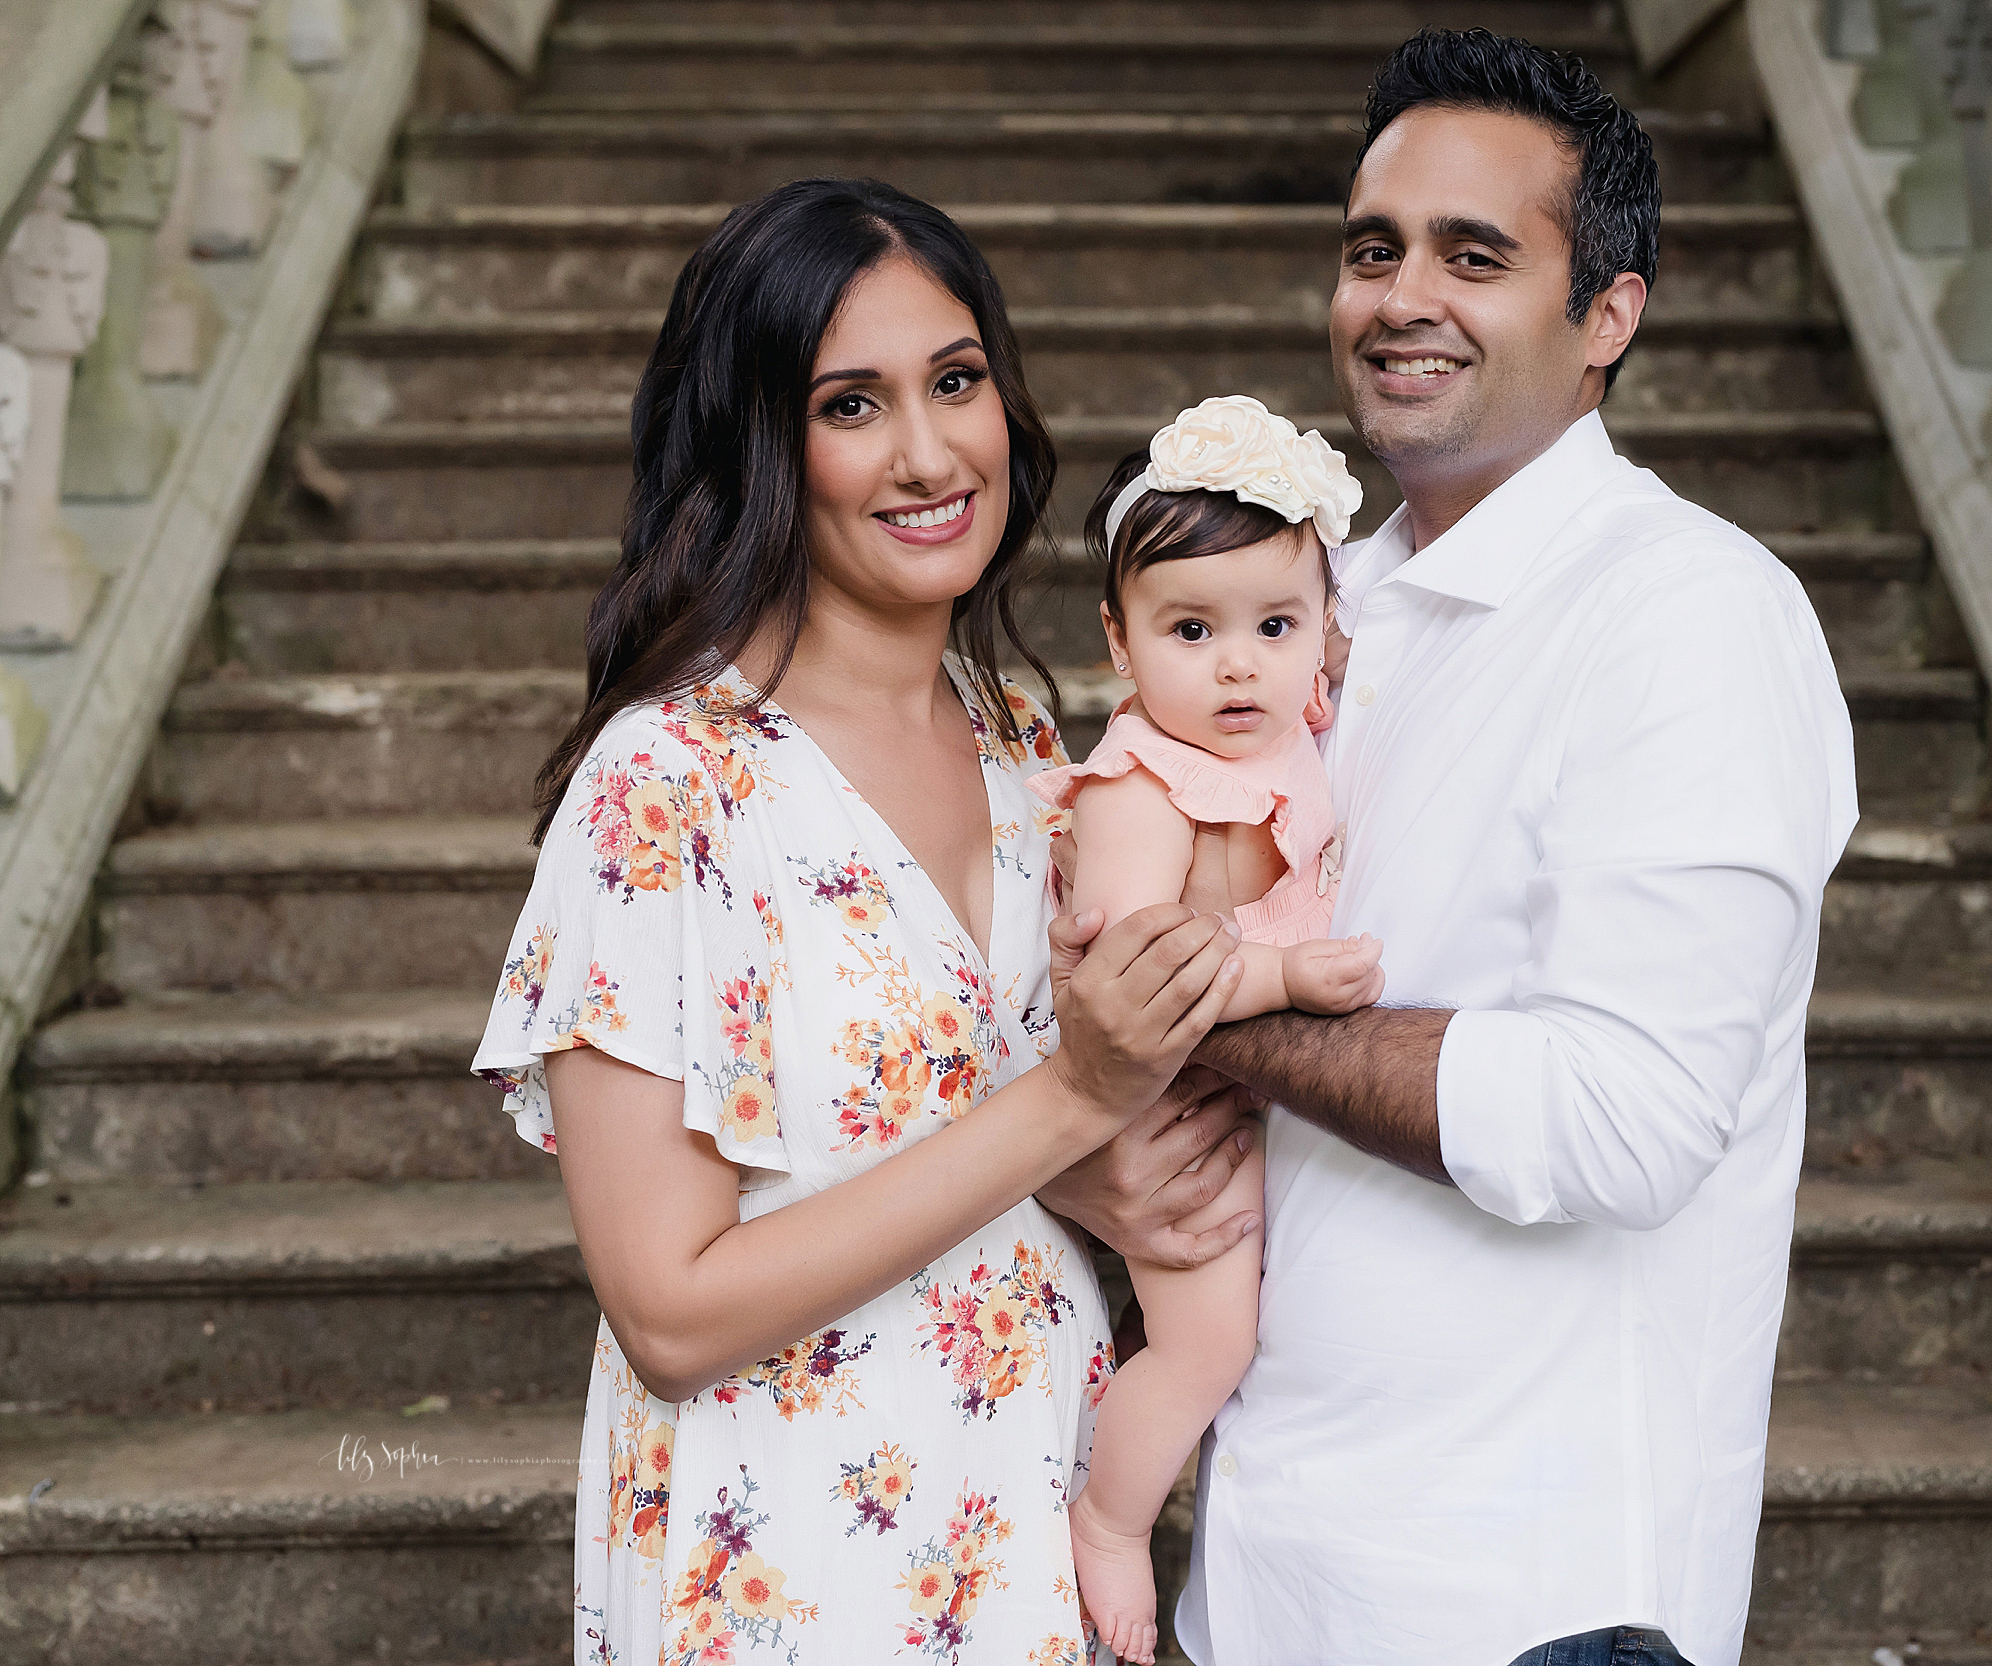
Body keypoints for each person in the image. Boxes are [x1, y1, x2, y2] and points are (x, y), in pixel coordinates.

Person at [1051, 30, 1859, 1666]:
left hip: (1528, 1598)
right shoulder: (1323, 627)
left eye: (1473, 255)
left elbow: (1623, 1120)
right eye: (1374, 248)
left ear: (1609, 312)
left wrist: (1209, 1007)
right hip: (1272, 1576)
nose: (1401, 293)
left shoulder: (1689, 618)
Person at [470, 177, 1266, 1666]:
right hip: (788, 1557)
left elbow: (970, 1136)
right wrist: (1079, 1097)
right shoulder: (669, 789)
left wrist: (1102, 1174)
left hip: (1027, 1518)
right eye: (852, 404)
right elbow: (671, 1309)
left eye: (954, 381)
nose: (927, 453)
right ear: (760, 444)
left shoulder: (1029, 741)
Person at [1029, 395, 1385, 1662]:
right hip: (1168, 1108)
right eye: (1193, 629)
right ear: (1121, 644)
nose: (1239, 664)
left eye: (1275, 626)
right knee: (1208, 1338)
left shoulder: (1290, 725)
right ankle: (1113, 1518)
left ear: (1324, 633)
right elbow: (1140, 976)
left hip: (1255, 1095)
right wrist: (1284, 977)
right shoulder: (1144, 782)